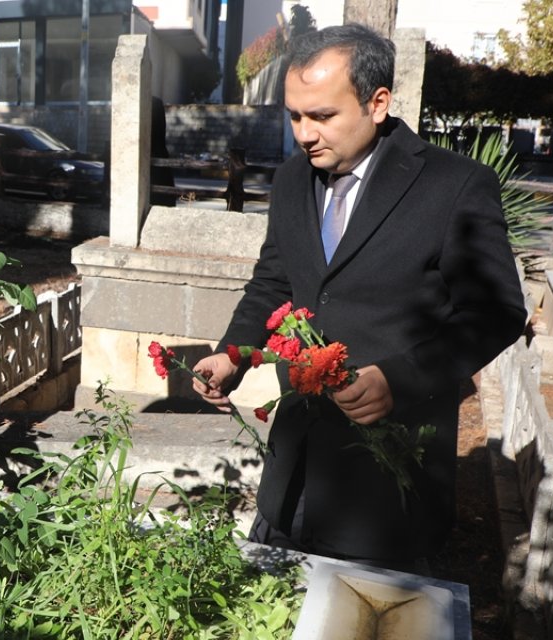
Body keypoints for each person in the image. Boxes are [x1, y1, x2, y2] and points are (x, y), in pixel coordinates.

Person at [190, 24, 526, 572]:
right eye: (295, 115)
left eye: (321, 116)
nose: (303, 133)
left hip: (388, 493)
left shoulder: (455, 185)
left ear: (377, 103)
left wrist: (398, 379)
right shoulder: (292, 180)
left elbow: (496, 312)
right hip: (292, 473)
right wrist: (234, 353)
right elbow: (276, 282)